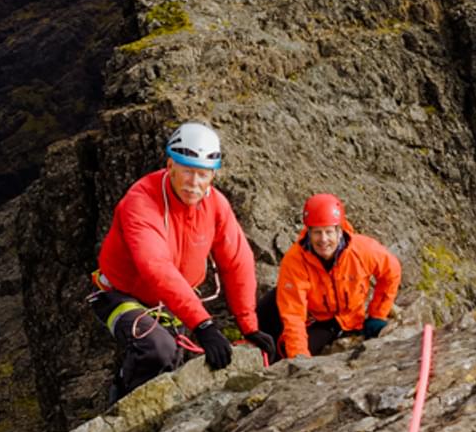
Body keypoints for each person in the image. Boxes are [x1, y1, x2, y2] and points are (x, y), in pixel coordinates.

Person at [89, 121, 278, 398]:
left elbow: (237, 261)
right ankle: (122, 401)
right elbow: (156, 267)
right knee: (157, 350)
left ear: (213, 175)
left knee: (180, 362)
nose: (194, 183)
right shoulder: (141, 202)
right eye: (187, 171)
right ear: (170, 165)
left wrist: (248, 325)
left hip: (172, 301)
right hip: (120, 294)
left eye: (203, 175)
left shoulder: (215, 204)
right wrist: (204, 325)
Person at [256, 192, 401, 360]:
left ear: (340, 231)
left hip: (348, 319)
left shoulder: (362, 250)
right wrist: (300, 358)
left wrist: (377, 314)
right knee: (283, 342)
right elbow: (293, 314)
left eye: (329, 232)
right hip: (314, 316)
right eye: (317, 232)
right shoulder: (295, 260)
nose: (323, 240)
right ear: (308, 232)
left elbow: (392, 271)